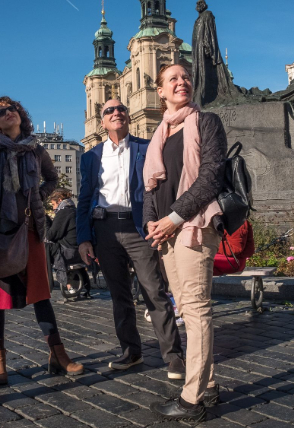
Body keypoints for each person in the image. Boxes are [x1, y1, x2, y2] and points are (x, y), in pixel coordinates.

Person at [0, 96, 83, 386]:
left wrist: (37, 199)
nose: (8, 113)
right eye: (1, 111)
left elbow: (51, 179)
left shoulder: (36, 150)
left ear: (20, 114)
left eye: (12, 108)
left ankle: (58, 354)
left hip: (29, 228)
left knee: (41, 293)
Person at [76, 98, 185, 378]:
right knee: (119, 296)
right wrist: (84, 239)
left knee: (154, 292)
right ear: (102, 122)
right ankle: (131, 351)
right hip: (106, 229)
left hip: (139, 229)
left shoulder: (146, 147)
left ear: (128, 117)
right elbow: (85, 198)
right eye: (109, 111)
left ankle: (173, 356)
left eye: (121, 109)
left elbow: (157, 189)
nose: (116, 112)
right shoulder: (90, 157)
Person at [143, 63, 227, 421]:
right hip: (165, 234)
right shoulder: (158, 134)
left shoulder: (206, 122)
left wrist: (172, 217)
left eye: (186, 77)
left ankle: (192, 401)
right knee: (186, 312)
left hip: (192, 226)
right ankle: (207, 385)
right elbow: (150, 186)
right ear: (160, 91)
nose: (182, 82)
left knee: (195, 309)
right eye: (172, 79)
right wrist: (151, 221)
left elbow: (210, 178)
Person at [46, 188, 88, 297]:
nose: (53, 208)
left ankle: (48, 282)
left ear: (59, 200)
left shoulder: (64, 212)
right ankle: (72, 284)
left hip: (69, 253)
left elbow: (51, 235)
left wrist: (45, 222)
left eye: (54, 204)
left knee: (46, 247)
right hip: (79, 251)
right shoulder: (74, 209)